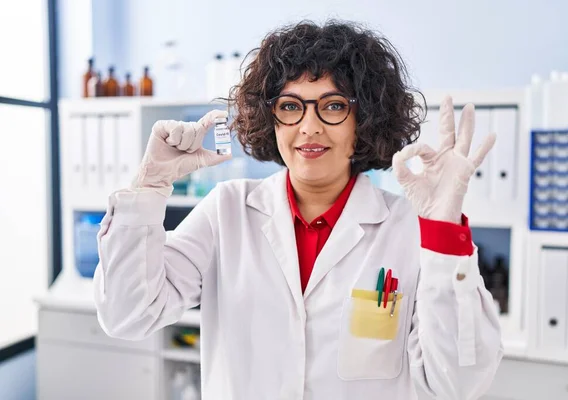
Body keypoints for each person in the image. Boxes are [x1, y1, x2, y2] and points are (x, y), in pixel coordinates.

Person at [93, 20, 502, 400]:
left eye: (334, 105)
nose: (309, 127)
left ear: (365, 118)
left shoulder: (410, 231)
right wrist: (148, 186)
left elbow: (459, 383)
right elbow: (127, 315)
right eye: (290, 106)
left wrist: (445, 231)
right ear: (270, 117)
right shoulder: (227, 211)